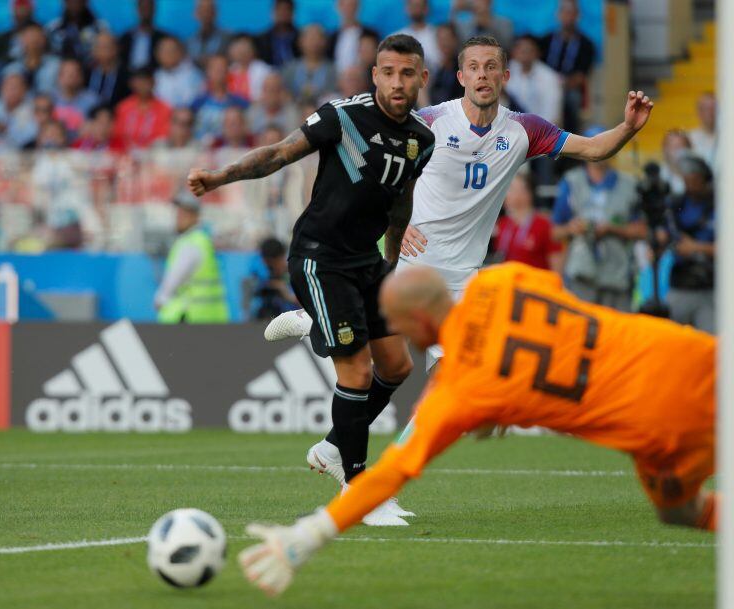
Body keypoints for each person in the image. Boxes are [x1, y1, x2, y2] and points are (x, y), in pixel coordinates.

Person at [265, 36, 653, 481]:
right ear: (461, 75)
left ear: (505, 76)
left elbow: (593, 149)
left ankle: (336, 426)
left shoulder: (525, 130)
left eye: (492, 67)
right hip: (419, 268)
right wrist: (397, 219)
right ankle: (379, 469)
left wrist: (627, 128)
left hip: (468, 277)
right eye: (474, 67)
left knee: (439, 379)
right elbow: (378, 168)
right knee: (415, 373)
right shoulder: (428, 121)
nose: (483, 75)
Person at [239, 262, 717, 596]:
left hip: (662, 429)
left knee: (682, 512)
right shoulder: (502, 278)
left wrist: (313, 533)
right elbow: (554, 303)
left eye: (400, 324)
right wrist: (518, 393)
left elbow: (393, 471)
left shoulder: (461, 389)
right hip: (687, 354)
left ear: (420, 320)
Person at [187, 34, 435, 525]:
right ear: (375, 75)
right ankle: (358, 494)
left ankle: (332, 444)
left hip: (367, 262)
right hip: (320, 260)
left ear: (422, 78)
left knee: (398, 366)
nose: (398, 82)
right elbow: (279, 154)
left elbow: (399, 202)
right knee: (358, 373)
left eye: (408, 73)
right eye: (388, 72)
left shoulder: (420, 140)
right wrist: (219, 177)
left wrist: (391, 261)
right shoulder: (341, 117)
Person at [551, 126, 647, 311]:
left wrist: (613, 229)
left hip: (618, 275)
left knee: (616, 335)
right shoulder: (571, 182)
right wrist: (572, 228)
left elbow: (643, 230)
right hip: (581, 275)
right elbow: (555, 232)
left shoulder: (629, 185)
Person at [155, 191, 229, 324]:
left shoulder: (190, 243)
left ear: (195, 216)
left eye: (183, 213)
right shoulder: (202, 240)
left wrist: (160, 299)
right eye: (178, 212)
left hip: (190, 319)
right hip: (212, 319)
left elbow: (174, 279)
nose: (178, 217)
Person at [664, 155, 715, 334]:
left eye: (694, 175)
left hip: (710, 287)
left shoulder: (718, 203)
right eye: (686, 176)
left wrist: (695, 247)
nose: (690, 180)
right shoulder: (675, 203)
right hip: (680, 283)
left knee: (712, 344)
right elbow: (664, 235)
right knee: (674, 343)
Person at [539, 0, 596, 134]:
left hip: (567, 87)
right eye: (564, 12)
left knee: (572, 98)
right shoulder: (545, 40)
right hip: (542, 84)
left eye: (571, 13)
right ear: (558, 15)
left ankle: (569, 140)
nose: (568, 17)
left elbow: (581, 76)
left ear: (578, 16)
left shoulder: (586, 45)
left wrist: (559, 86)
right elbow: (538, 67)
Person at [493, 173, 562, 272]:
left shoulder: (544, 225)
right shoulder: (503, 224)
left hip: (536, 285)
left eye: (511, 188)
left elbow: (557, 269)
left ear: (526, 193)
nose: (505, 192)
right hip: (508, 284)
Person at [506, 35, 562, 125]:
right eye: (521, 50)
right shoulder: (507, 70)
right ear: (514, 52)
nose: (524, 53)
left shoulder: (549, 77)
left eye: (528, 50)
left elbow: (551, 113)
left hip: (539, 129)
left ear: (537, 53)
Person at [0, 72, 37, 153]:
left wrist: (7, 130)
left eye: (16, 87)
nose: (11, 90)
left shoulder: (31, 110)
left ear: (24, 90)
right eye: (8, 86)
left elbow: (30, 138)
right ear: (1, 88)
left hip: (20, 159)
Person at [113, 67, 171, 149]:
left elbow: (163, 137)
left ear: (154, 82)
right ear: (132, 84)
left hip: (153, 154)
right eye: (139, 82)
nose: (142, 85)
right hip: (124, 154)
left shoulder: (164, 108)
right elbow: (117, 134)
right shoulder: (123, 107)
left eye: (146, 81)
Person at [281, 25, 336, 103]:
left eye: (318, 38)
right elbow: (285, 93)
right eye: (310, 39)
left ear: (325, 42)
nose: (314, 43)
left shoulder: (333, 70)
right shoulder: (289, 69)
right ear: (300, 42)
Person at [249, 236, 300, 320]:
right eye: (268, 266)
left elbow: (308, 304)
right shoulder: (264, 278)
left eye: (272, 265)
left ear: (282, 257)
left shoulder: (297, 274)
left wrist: (285, 293)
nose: (271, 269)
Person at [3, 23, 60, 95]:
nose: (33, 40)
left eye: (37, 36)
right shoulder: (11, 69)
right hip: (21, 105)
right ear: (21, 40)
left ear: (44, 39)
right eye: (29, 36)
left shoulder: (57, 65)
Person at [328, 0, 379, 74]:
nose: (349, 9)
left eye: (352, 5)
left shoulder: (370, 35)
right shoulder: (332, 37)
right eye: (345, 5)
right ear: (338, 7)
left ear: (358, 7)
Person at [153, 36, 205, 108]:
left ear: (181, 52)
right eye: (164, 51)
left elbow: (197, 99)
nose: (167, 54)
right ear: (157, 54)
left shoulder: (193, 74)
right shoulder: (155, 76)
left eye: (171, 51)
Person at [52, 57, 99, 136]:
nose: (70, 76)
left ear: (81, 77)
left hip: (83, 145)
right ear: (58, 77)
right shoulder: (49, 99)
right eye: (66, 73)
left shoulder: (93, 101)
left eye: (74, 73)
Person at [247, 72, 300, 136]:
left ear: (281, 93)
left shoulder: (292, 114)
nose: (269, 95)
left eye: (272, 90)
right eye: (266, 90)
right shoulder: (253, 111)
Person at [119, 0, 168, 71]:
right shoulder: (125, 38)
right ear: (137, 10)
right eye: (143, 8)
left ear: (154, 10)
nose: (146, 12)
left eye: (148, 8)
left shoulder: (164, 39)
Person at [87, 32, 130, 109]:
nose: (99, 50)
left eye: (105, 47)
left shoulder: (126, 76)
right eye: (97, 46)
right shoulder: (86, 72)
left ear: (116, 49)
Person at [227, 35, 274, 103]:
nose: (241, 52)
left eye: (245, 49)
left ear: (253, 51)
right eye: (238, 49)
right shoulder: (230, 70)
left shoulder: (263, 69)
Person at [396, 0, 441, 70]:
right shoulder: (397, 37)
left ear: (426, 9)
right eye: (413, 6)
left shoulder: (437, 34)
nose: (416, 9)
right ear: (407, 8)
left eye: (419, 6)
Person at [255, 0, 300, 68]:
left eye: (286, 9)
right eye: (279, 9)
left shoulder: (301, 37)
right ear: (272, 12)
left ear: (293, 13)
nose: (282, 13)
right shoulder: (261, 40)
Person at [187, 0, 232, 66]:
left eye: (209, 10)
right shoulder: (190, 41)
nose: (205, 14)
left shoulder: (227, 37)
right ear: (195, 13)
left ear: (215, 12)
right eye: (202, 10)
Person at [429, 24, 464, 106]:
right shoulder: (438, 70)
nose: (444, 43)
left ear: (456, 40)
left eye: (447, 39)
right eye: (440, 39)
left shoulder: (464, 66)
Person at [688, 92, 716, 172]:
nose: (710, 113)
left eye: (713, 108)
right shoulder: (689, 138)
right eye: (705, 109)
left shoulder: (728, 138)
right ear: (698, 111)